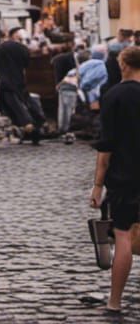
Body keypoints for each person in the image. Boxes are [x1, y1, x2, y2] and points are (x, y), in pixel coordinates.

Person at [91, 45, 140, 316]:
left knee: (123, 236)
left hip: (124, 176)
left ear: (123, 65)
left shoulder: (114, 96)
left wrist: (98, 185)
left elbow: (105, 148)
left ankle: (115, 300)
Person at [0, 25, 42, 143]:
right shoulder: (23, 49)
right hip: (19, 81)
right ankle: (31, 128)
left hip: (4, 83)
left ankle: (28, 128)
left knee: (14, 109)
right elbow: (27, 64)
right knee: (22, 105)